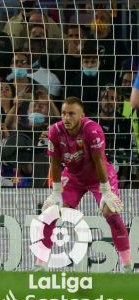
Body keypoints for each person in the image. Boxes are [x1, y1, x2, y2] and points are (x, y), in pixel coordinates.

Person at [42, 97, 131, 271]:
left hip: (99, 176)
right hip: (74, 177)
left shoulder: (92, 130)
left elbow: (99, 161)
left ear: (82, 115)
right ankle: (40, 264)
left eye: (72, 114)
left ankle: (127, 264)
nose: (67, 118)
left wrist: (105, 190)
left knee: (111, 213)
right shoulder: (55, 131)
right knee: (50, 213)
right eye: (64, 114)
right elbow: (54, 162)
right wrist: (56, 192)